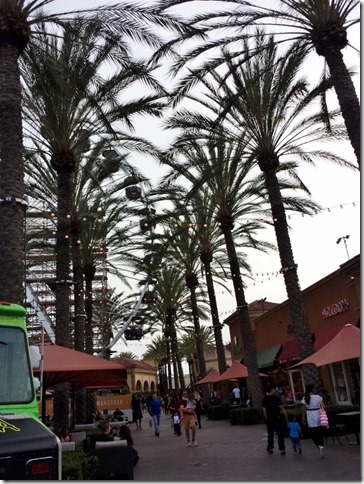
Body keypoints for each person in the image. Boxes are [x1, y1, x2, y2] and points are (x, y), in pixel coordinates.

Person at [262, 384, 288, 455]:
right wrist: (286, 416)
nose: (275, 390)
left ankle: (270, 448)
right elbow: (281, 408)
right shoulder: (277, 398)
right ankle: (282, 449)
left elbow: (264, 410)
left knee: (270, 434)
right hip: (277, 418)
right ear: (271, 390)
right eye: (274, 389)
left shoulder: (265, 399)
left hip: (269, 419)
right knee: (280, 434)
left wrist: (266, 419)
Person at [302, 384, 326, 456]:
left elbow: (303, 409)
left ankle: (318, 445)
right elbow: (323, 406)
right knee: (319, 432)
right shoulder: (318, 397)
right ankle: (322, 445)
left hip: (310, 415)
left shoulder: (305, 398)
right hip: (318, 414)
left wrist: (303, 418)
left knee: (313, 433)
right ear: (312, 389)